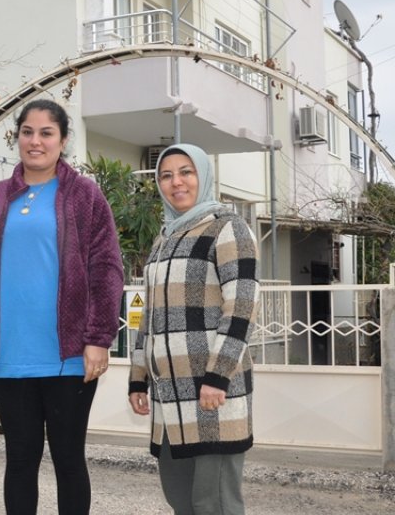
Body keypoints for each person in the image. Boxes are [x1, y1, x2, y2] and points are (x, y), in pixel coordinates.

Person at [0, 99, 124, 515]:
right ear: (17, 137)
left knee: (69, 460)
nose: (35, 141)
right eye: (27, 132)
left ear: (63, 140)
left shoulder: (84, 195)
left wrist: (98, 338)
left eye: (46, 133)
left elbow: (106, 268)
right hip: (10, 355)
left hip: (67, 355)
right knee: (19, 460)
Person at [127, 143, 258, 515]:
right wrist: (139, 379)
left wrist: (218, 376)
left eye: (186, 172)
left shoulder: (228, 228)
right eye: (166, 175)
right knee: (180, 499)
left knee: (214, 501)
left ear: (203, 176)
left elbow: (242, 306)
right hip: (169, 398)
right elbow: (148, 317)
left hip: (211, 392)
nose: (176, 182)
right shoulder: (164, 238)